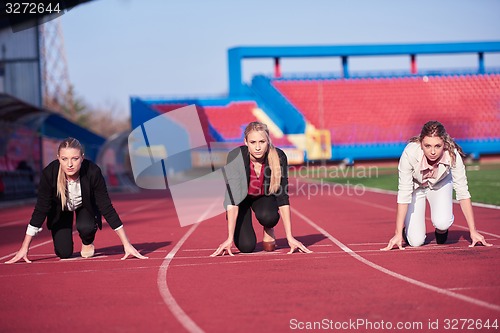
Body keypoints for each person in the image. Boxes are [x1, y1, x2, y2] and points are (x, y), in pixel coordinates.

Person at [5, 137, 148, 263]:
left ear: (82, 158)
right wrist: (24, 248)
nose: (69, 164)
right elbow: (41, 209)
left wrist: (126, 244)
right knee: (64, 253)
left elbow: (106, 207)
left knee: (85, 227)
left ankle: (87, 241)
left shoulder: (93, 172)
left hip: (84, 205)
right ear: (58, 158)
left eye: (75, 158)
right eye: (64, 159)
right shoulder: (49, 174)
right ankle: (64, 242)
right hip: (60, 209)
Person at [381, 121, 492, 251]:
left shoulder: (453, 155)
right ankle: (408, 231)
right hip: (416, 188)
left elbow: (463, 192)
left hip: (440, 185)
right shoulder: (409, 154)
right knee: (415, 241)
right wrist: (398, 233)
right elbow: (404, 194)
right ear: (421, 143)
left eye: (437, 146)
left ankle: (441, 231)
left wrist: (473, 231)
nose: (432, 151)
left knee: (443, 222)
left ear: (444, 144)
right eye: (427, 146)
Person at [211, 122, 312, 256]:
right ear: (246, 142)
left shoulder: (279, 156)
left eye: (262, 142)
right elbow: (232, 198)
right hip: (241, 201)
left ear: (268, 142)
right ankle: (240, 235)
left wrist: (290, 237)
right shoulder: (235, 157)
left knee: (269, 217)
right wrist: (229, 238)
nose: (258, 147)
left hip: (263, 197)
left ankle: (268, 227)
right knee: (246, 247)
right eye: (253, 142)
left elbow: (282, 197)